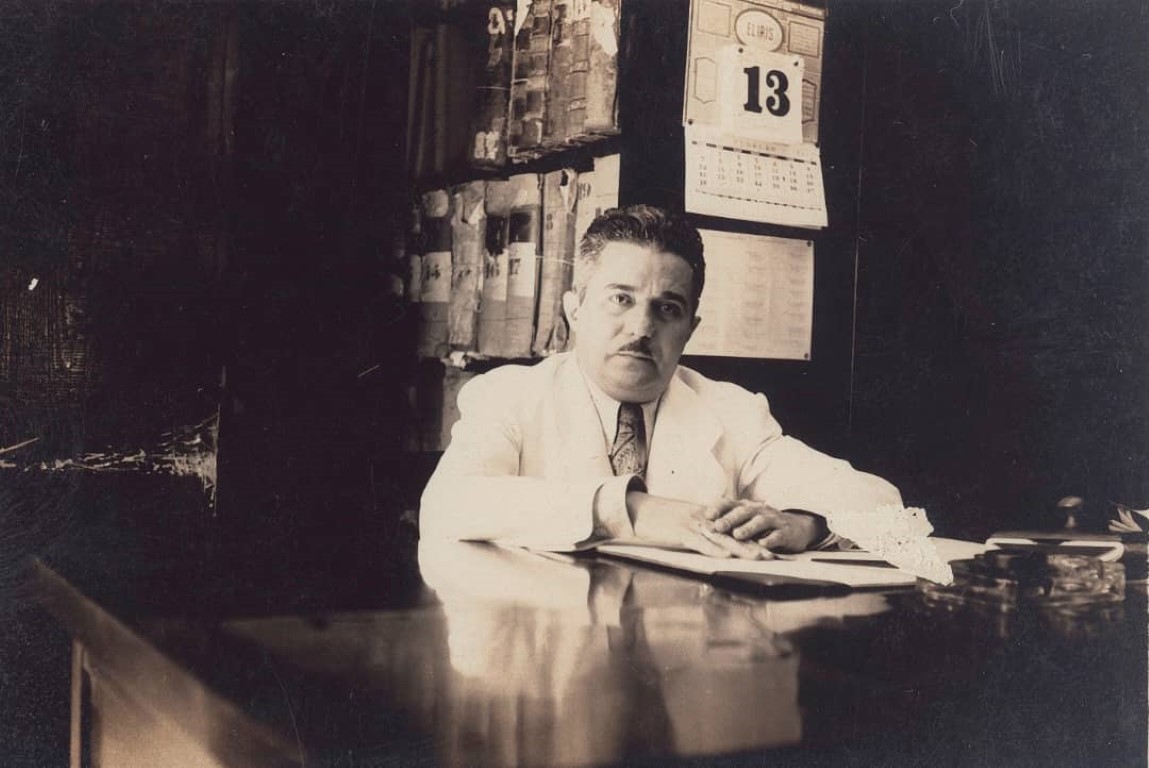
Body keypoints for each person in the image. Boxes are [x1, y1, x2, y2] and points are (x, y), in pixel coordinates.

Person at [420, 205, 902, 558]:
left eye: (667, 309)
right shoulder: (509, 395)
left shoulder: (732, 412)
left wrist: (806, 524)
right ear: (574, 311)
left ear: (690, 329)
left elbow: (883, 504)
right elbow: (449, 504)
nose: (641, 327)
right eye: (620, 299)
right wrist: (634, 511)